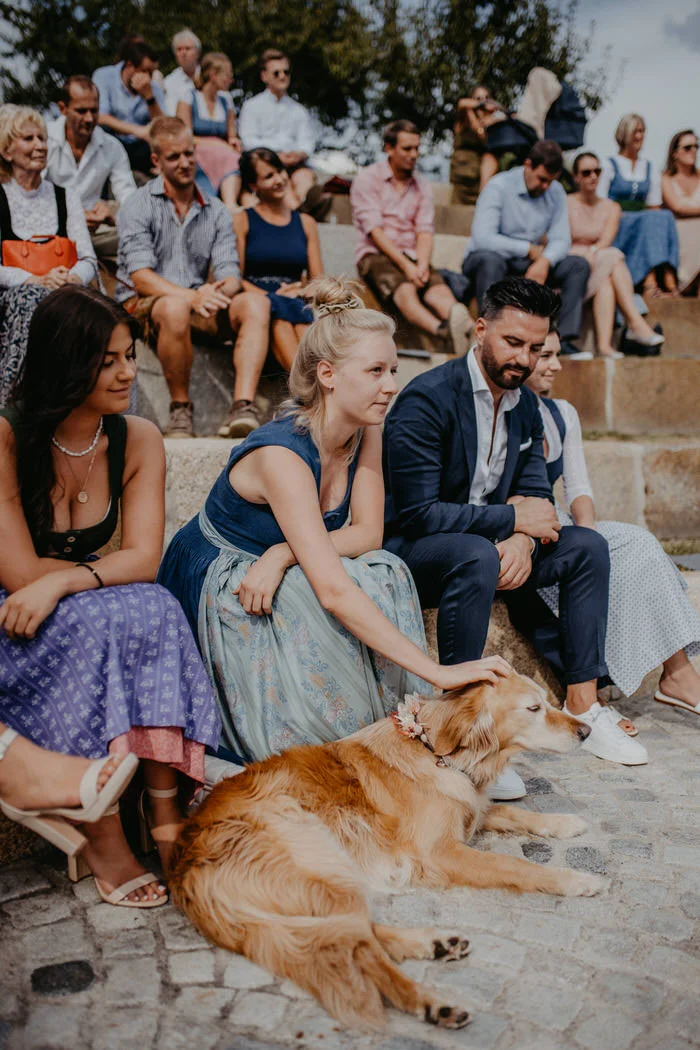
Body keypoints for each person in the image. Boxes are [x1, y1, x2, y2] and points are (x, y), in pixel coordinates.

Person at [158, 277, 511, 763]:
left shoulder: (366, 430)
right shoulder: (284, 454)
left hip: (273, 560)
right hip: (224, 575)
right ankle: (341, 740)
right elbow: (332, 590)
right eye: (375, 371)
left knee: (383, 568)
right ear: (327, 374)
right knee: (316, 589)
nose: (391, 385)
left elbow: (368, 533)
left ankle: (398, 729)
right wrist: (440, 672)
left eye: (393, 369)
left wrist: (283, 553)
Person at [0, 285, 222, 905]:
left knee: (156, 607)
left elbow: (143, 559)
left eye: (130, 355)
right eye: (108, 361)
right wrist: (80, 580)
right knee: (101, 620)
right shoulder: (7, 439)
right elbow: (19, 575)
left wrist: (73, 577)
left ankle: (163, 807)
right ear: (64, 364)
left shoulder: (137, 438)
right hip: (13, 614)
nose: (129, 373)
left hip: (76, 591)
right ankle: (98, 829)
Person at [383, 276, 649, 772]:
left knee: (587, 545)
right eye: (512, 343)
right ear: (480, 330)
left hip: (494, 547)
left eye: (534, 348)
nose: (523, 359)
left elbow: (537, 497)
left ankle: (583, 703)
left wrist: (525, 538)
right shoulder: (427, 400)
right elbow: (417, 513)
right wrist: (509, 520)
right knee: (475, 552)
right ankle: (464, 729)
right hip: (415, 551)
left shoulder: (525, 402)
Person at [526, 330, 700, 729]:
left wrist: (588, 536)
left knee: (637, 543)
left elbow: (579, 487)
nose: (556, 364)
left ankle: (678, 674)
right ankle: (609, 690)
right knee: (612, 554)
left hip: (565, 525)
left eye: (556, 354)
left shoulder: (562, 412)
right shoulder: (511, 412)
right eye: (546, 355)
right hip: (531, 529)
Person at [115, 117, 270, 440]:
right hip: (143, 306)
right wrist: (192, 297)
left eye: (189, 153)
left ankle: (243, 406)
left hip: (196, 304)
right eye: (174, 157)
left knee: (255, 302)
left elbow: (231, 275)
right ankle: (180, 410)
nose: (185, 163)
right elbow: (141, 277)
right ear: (156, 161)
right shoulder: (136, 205)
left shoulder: (215, 210)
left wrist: (213, 291)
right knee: (174, 307)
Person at [0, 104, 96, 407]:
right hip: (11, 297)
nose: (39, 146)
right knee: (30, 300)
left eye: (42, 138)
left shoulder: (65, 195)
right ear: (5, 150)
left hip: (62, 291)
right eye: (28, 139)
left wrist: (71, 277)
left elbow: (88, 260)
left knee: (95, 311)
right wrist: (35, 279)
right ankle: (12, 404)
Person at [350, 120, 473, 354]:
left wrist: (423, 264)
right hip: (376, 254)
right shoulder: (367, 179)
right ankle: (443, 332)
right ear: (389, 148)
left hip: (414, 254)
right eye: (407, 149)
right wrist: (407, 267)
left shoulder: (422, 186)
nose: (414, 155)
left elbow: (425, 230)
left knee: (440, 292)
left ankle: (471, 331)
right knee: (405, 290)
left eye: (417, 148)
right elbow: (375, 232)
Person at [462, 140, 590, 360]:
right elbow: (483, 238)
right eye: (542, 179)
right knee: (490, 260)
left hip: (532, 262)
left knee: (578, 265)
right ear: (528, 165)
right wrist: (527, 249)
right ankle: (486, 339)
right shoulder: (498, 186)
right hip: (490, 258)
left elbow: (561, 239)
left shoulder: (556, 192)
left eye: (551, 181)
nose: (546, 186)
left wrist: (545, 261)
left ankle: (565, 340)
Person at [568, 152, 664, 358]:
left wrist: (593, 252)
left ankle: (603, 346)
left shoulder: (612, 207)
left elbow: (606, 239)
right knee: (614, 257)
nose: (593, 176)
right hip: (574, 267)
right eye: (586, 172)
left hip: (600, 259)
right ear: (576, 177)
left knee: (608, 277)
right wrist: (587, 253)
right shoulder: (566, 203)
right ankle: (635, 322)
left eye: (597, 171)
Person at [234, 148, 322, 371]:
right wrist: (269, 295)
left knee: (300, 317)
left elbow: (318, 280)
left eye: (280, 171)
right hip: (258, 297)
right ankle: (308, 392)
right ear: (253, 186)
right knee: (279, 314)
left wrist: (301, 291)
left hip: (294, 297)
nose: (279, 180)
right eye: (268, 176)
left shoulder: (306, 223)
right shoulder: (243, 220)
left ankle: (313, 390)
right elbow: (235, 277)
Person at [46, 75, 136, 269]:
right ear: (62, 109)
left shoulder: (112, 147)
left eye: (94, 111)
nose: (89, 118)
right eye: (81, 111)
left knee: (141, 240)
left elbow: (130, 198)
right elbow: (29, 194)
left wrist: (111, 213)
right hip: (51, 232)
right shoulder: (43, 141)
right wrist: (71, 217)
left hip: (94, 234)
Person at [597, 114, 679, 298]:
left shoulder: (648, 167)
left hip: (642, 222)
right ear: (624, 134)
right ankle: (650, 282)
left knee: (663, 216)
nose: (639, 136)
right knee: (647, 220)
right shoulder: (609, 165)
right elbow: (601, 203)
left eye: (642, 131)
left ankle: (668, 278)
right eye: (635, 131)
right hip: (618, 223)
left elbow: (654, 205)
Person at [238, 49, 316, 209]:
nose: (282, 76)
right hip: (266, 163)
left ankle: (301, 213)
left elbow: (307, 141)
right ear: (264, 76)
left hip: (294, 163)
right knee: (284, 186)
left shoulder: (298, 109)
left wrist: (298, 154)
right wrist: (276, 155)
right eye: (276, 73)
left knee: (305, 178)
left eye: (286, 72)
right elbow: (248, 140)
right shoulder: (252, 106)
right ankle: (295, 214)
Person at [177, 52, 242, 217]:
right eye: (227, 75)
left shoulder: (226, 101)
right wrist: (218, 144)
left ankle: (230, 203)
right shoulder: (189, 97)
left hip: (223, 154)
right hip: (197, 151)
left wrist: (233, 141)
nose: (230, 80)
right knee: (227, 155)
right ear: (213, 75)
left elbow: (231, 134)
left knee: (233, 156)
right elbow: (185, 135)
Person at [93, 38, 165, 177]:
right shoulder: (104, 76)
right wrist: (138, 131)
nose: (148, 78)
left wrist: (149, 98)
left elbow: (162, 125)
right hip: (111, 140)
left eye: (151, 73)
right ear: (129, 66)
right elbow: (101, 117)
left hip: (141, 147)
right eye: (144, 71)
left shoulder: (153, 87)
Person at [449, 85, 503, 205]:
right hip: (464, 171)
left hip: (483, 177)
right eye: (477, 98)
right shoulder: (464, 117)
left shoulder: (493, 121)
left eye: (486, 98)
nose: (482, 101)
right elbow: (462, 103)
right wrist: (480, 107)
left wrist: (493, 120)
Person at [662, 129, 700, 296]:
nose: (693, 151)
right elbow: (676, 206)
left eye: (696, 146)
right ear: (675, 153)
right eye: (687, 147)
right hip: (677, 230)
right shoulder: (666, 178)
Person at [163, 29, 202, 117]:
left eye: (188, 48)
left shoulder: (208, 75)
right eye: (179, 49)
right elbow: (170, 113)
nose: (183, 53)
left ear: (198, 53)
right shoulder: (169, 81)